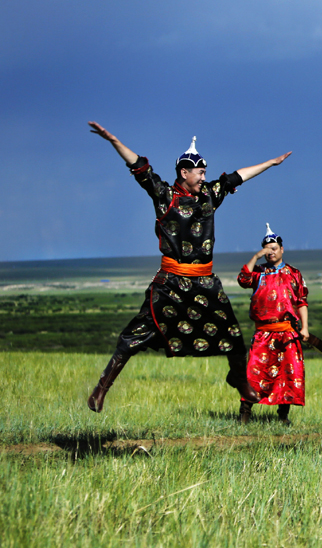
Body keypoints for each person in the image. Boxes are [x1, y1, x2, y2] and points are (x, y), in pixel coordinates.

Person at [86, 121, 291, 413]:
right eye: (200, 172)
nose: (204, 176)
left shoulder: (209, 196)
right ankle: (102, 387)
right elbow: (140, 168)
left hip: (204, 283)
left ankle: (238, 379)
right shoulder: (165, 197)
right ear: (184, 172)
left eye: (205, 172)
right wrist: (114, 141)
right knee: (138, 334)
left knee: (232, 334)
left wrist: (270, 163)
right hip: (170, 282)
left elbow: (237, 178)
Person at [236, 224, 309, 425]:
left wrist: (305, 328)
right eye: (267, 250)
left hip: (287, 333)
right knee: (253, 373)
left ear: (282, 249)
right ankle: (244, 415)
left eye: (274, 248)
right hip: (263, 334)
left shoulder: (294, 273)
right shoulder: (258, 273)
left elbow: (302, 301)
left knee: (288, 373)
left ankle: (283, 416)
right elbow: (242, 279)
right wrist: (256, 256)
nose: (271, 252)